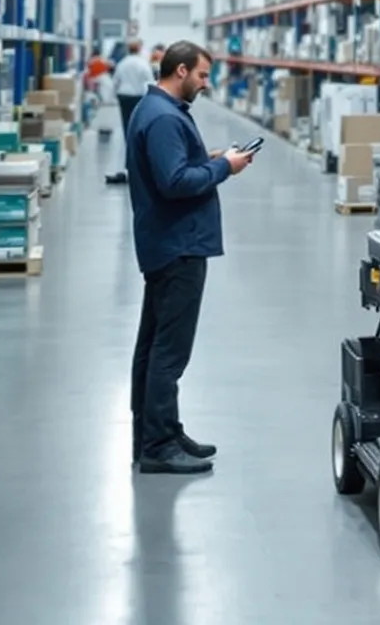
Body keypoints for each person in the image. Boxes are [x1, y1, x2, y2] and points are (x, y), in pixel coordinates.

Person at [124, 41, 252, 475]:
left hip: (168, 241)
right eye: (201, 75)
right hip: (177, 245)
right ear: (180, 72)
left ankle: (157, 432)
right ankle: (158, 446)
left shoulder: (160, 111)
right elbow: (175, 182)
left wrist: (209, 157)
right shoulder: (162, 118)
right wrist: (224, 169)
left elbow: (176, 165)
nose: (206, 83)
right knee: (169, 351)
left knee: (154, 344)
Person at [107, 41, 154, 184]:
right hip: (138, 98)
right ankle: (137, 165)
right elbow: (149, 82)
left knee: (127, 128)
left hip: (124, 97)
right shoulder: (143, 63)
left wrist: (114, 95)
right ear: (139, 49)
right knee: (139, 129)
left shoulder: (122, 63)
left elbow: (115, 81)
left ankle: (131, 162)